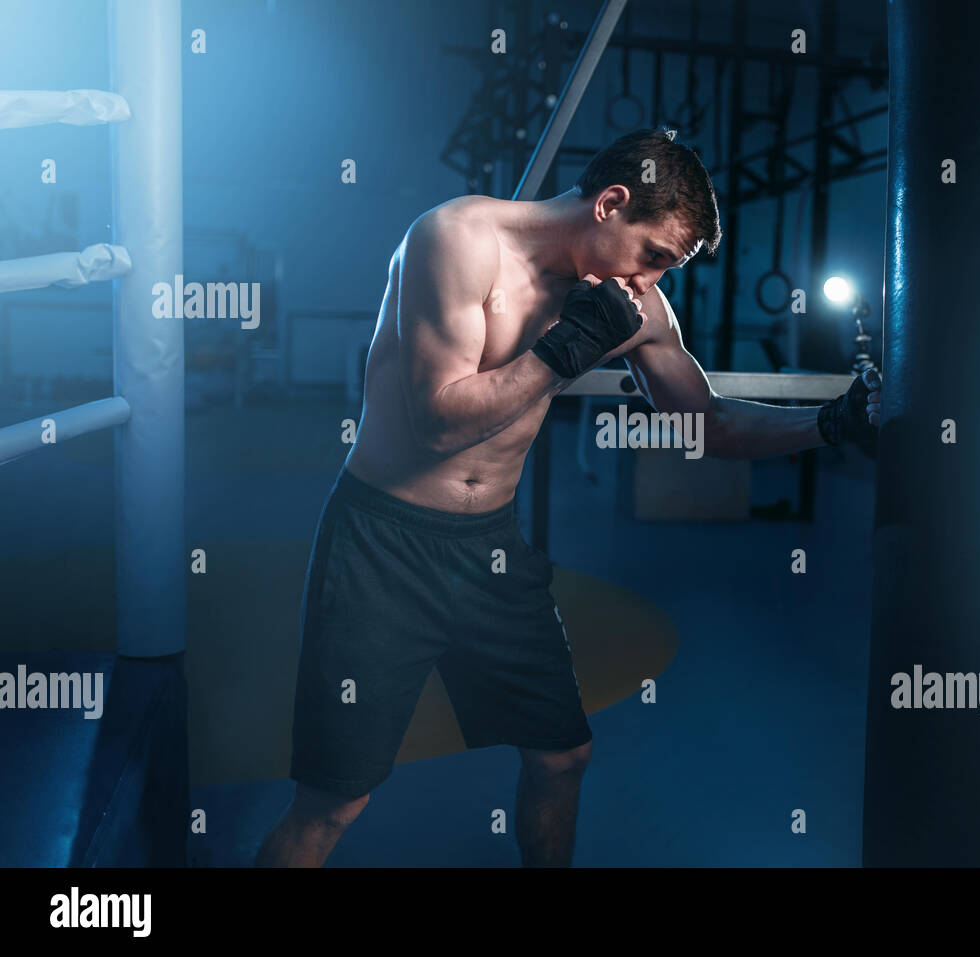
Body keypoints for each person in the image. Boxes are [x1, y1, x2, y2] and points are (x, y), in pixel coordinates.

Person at [254, 128, 881, 867]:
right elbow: (434, 422)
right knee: (335, 801)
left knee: (562, 756)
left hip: (487, 550)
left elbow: (704, 425)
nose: (652, 284)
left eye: (667, 271)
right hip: (380, 546)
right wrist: (562, 349)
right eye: (653, 257)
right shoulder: (457, 240)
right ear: (611, 204)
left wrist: (833, 421)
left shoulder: (633, 306)